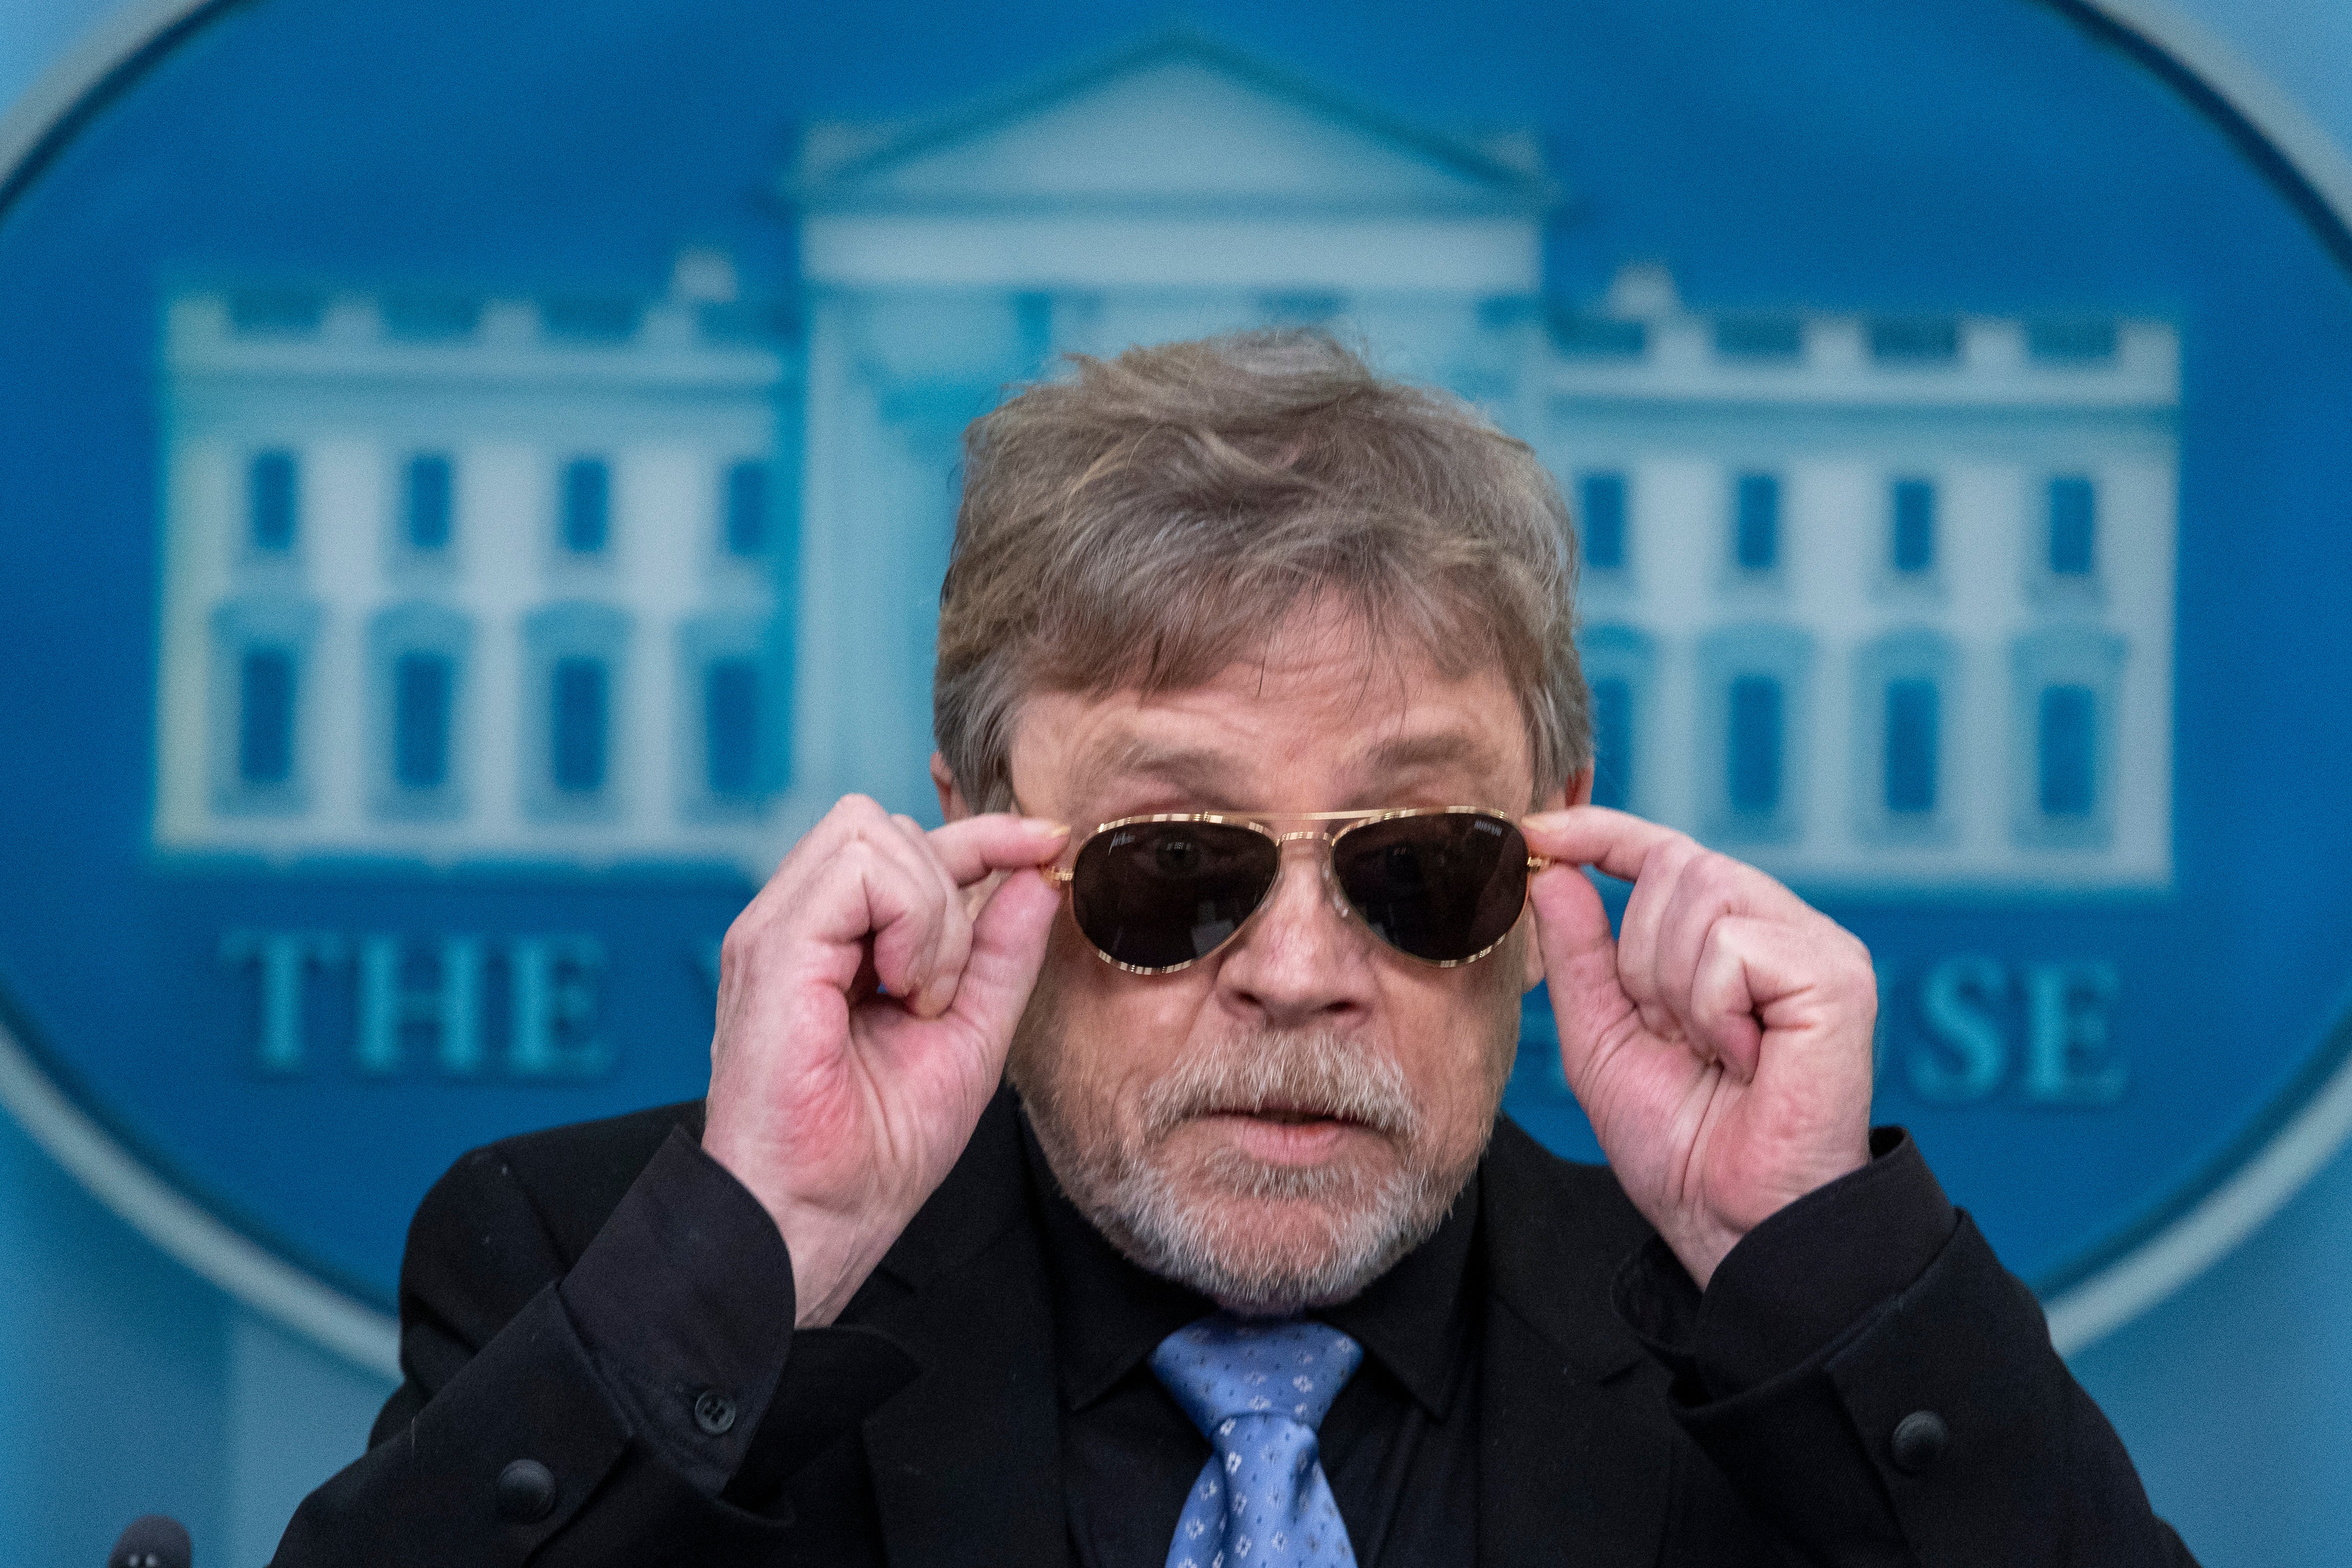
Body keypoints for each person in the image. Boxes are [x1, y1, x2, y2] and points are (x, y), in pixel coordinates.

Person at [274, 332, 2194, 1566]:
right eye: (1172, 865)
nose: (1293, 970)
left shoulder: (1775, 1364)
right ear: (967, 844)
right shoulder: (602, 1271)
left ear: (1552, 859)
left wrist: (1815, 1269)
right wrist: (756, 1260)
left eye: (1416, 867)